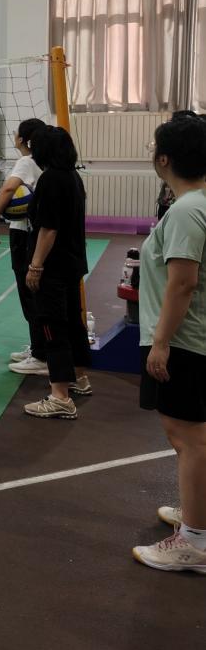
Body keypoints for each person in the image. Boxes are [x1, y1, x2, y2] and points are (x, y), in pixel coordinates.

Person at [133, 112, 206, 573]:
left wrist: (160, 343)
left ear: (164, 159)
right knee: (194, 438)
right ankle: (198, 513)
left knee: (188, 440)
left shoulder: (185, 211)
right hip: (193, 338)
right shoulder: (197, 204)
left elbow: (183, 283)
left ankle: (194, 543)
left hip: (184, 342)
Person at [22, 126, 93, 418]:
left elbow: (49, 228)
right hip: (72, 263)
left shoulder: (51, 179)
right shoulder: (72, 176)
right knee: (73, 322)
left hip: (53, 267)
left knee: (53, 326)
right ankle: (79, 378)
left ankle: (60, 397)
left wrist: (35, 266)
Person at [0, 118, 49, 374]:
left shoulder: (26, 162)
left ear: (23, 139)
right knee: (34, 293)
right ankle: (38, 347)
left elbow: (7, 190)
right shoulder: (45, 161)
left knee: (29, 294)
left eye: (16, 133)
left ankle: (42, 356)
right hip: (35, 234)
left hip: (24, 234)